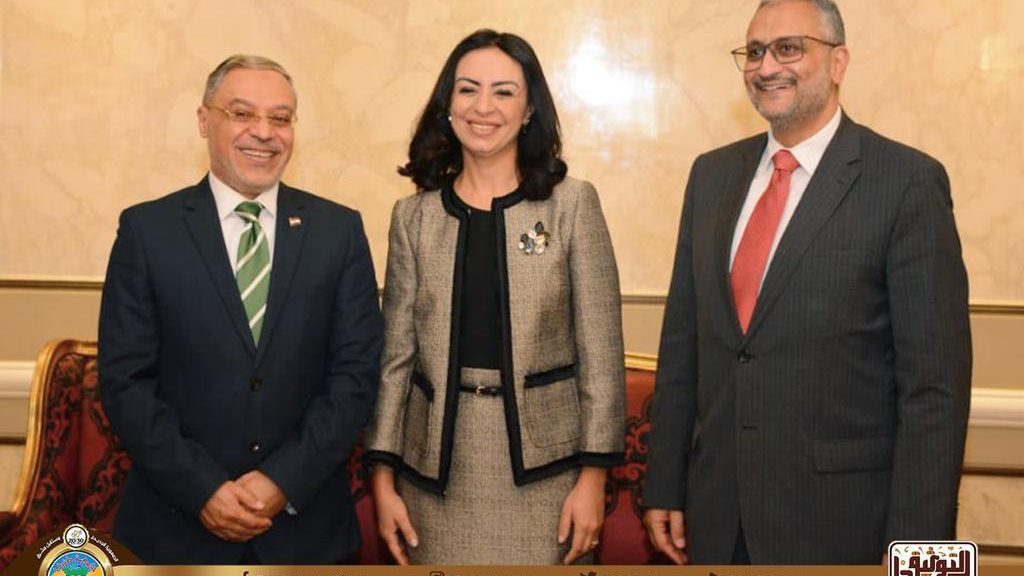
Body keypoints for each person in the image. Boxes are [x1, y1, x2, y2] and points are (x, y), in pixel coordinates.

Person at [643, 0, 971, 565]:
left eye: (788, 48)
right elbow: (682, 347)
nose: (766, 66)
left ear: (838, 62)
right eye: (754, 51)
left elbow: (934, 388)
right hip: (718, 517)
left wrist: (917, 554)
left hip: (845, 527)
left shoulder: (906, 183)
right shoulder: (711, 176)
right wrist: (665, 485)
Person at [99, 54, 384, 564]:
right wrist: (202, 489)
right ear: (204, 120)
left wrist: (281, 481)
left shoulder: (338, 232)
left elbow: (356, 376)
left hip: (306, 533)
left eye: (280, 118)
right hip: (175, 531)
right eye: (242, 113)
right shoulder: (147, 232)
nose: (264, 132)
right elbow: (125, 382)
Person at [362, 29, 625, 565]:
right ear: (447, 105)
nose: (483, 107)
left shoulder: (572, 205)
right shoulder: (414, 217)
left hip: (549, 475)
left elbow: (601, 353)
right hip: (436, 472)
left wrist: (594, 476)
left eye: (504, 92)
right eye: (468, 89)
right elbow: (395, 360)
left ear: (529, 111)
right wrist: (383, 480)